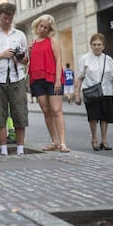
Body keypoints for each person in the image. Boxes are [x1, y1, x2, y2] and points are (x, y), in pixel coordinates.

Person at [0, 3, 28, 156]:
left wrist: (20, 58)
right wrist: (1, 55)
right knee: (0, 114)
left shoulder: (19, 34)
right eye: (4, 18)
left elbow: (26, 59)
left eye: (10, 18)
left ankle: (20, 148)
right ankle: (3, 149)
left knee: (20, 112)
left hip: (17, 76)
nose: (7, 21)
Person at [75, 33, 113, 151]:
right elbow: (80, 77)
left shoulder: (108, 59)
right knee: (93, 117)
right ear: (90, 45)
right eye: (94, 44)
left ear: (103, 46)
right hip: (91, 92)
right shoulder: (85, 59)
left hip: (106, 92)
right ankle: (94, 139)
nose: (97, 47)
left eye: (99, 45)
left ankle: (104, 140)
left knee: (104, 117)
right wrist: (77, 94)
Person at [29, 14, 70, 153]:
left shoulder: (52, 40)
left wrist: (58, 79)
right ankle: (55, 141)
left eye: (46, 27)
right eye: (41, 26)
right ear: (37, 25)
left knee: (56, 110)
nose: (43, 29)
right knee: (46, 111)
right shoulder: (33, 42)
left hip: (52, 78)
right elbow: (29, 61)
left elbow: (59, 60)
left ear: (49, 29)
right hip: (37, 79)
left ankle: (63, 143)